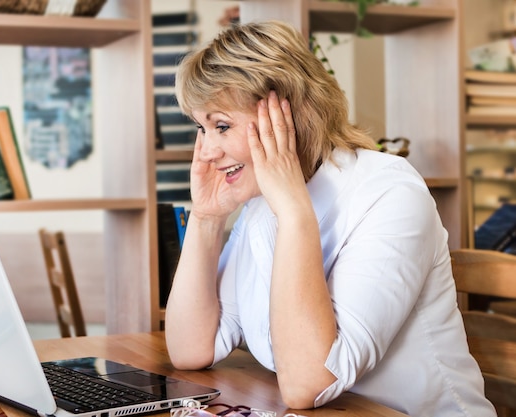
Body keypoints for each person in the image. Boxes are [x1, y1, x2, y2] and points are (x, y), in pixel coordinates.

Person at [164, 20, 496, 417]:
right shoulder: (259, 208)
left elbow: (308, 384)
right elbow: (189, 350)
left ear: (287, 116)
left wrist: (293, 211)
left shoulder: (389, 192)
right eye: (202, 129)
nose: (207, 152)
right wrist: (205, 217)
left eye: (221, 126)